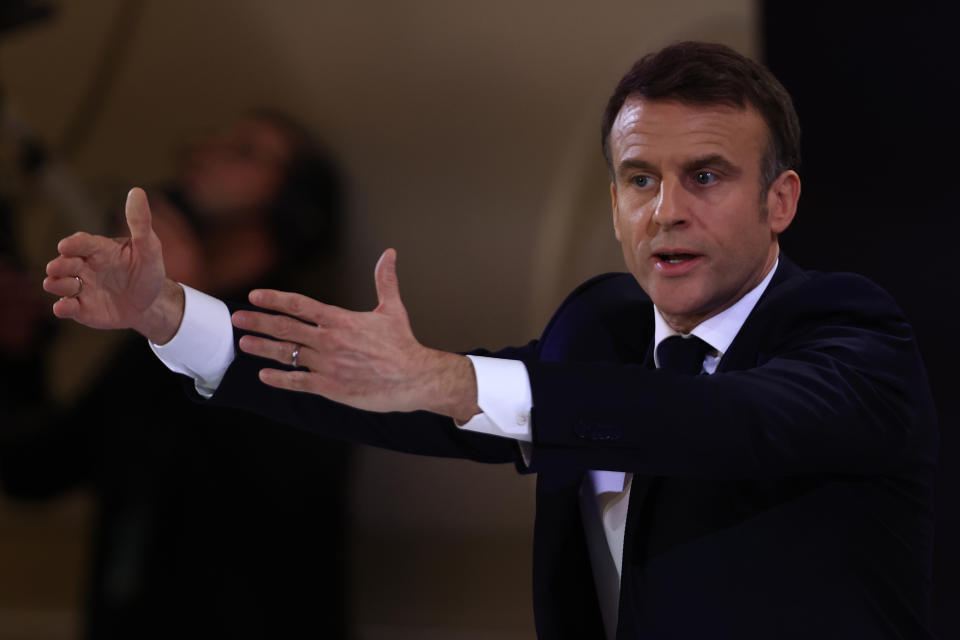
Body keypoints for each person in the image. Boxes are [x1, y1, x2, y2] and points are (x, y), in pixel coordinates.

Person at [41, 42, 938, 639]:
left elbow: (723, 421)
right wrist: (169, 318)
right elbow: (429, 407)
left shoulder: (852, 330)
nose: (667, 210)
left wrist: (449, 380)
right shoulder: (601, 327)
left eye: (706, 176)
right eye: (638, 179)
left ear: (779, 201)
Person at [4, 112, 351, 639]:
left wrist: (191, 322)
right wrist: (17, 351)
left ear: (296, 208)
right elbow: (38, 470)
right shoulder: (150, 343)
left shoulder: (304, 335)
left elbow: (278, 493)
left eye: (245, 152)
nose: (201, 152)